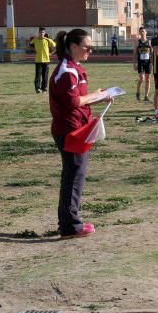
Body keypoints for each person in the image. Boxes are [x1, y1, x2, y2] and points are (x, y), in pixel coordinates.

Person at [49, 28, 112, 239]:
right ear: (73, 47)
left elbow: (80, 99)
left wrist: (100, 97)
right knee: (74, 176)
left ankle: (69, 222)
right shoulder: (66, 71)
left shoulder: (75, 68)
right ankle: (70, 226)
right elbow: (73, 102)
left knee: (75, 174)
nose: (90, 51)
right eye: (87, 47)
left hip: (79, 129)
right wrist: (96, 95)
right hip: (70, 131)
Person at [29, 27, 55, 93]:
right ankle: (37, 88)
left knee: (45, 76)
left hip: (46, 61)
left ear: (44, 33)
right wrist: (34, 50)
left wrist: (51, 54)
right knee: (38, 76)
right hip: (38, 60)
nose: (41, 33)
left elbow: (55, 47)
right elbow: (30, 45)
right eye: (40, 32)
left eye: (43, 32)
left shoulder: (48, 40)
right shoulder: (35, 40)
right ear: (38, 33)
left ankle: (44, 89)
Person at [133, 27, 152, 101]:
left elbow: (152, 53)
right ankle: (138, 92)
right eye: (140, 32)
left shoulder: (149, 42)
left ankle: (146, 96)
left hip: (148, 62)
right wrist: (134, 64)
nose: (142, 33)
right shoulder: (138, 42)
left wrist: (152, 63)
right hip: (140, 62)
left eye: (143, 31)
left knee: (148, 79)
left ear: (146, 32)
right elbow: (134, 54)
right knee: (141, 79)